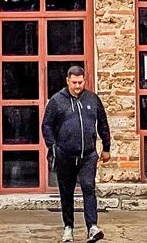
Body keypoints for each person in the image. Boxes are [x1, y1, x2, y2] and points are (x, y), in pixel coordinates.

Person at [40, 63, 111, 243]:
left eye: (80, 82)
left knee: (89, 188)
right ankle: (68, 228)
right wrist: (53, 146)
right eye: (74, 82)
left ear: (84, 81)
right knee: (66, 192)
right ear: (68, 81)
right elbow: (46, 125)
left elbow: (103, 123)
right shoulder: (57, 101)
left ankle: (92, 227)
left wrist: (106, 148)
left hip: (88, 154)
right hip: (65, 155)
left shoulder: (92, 99)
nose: (78, 86)